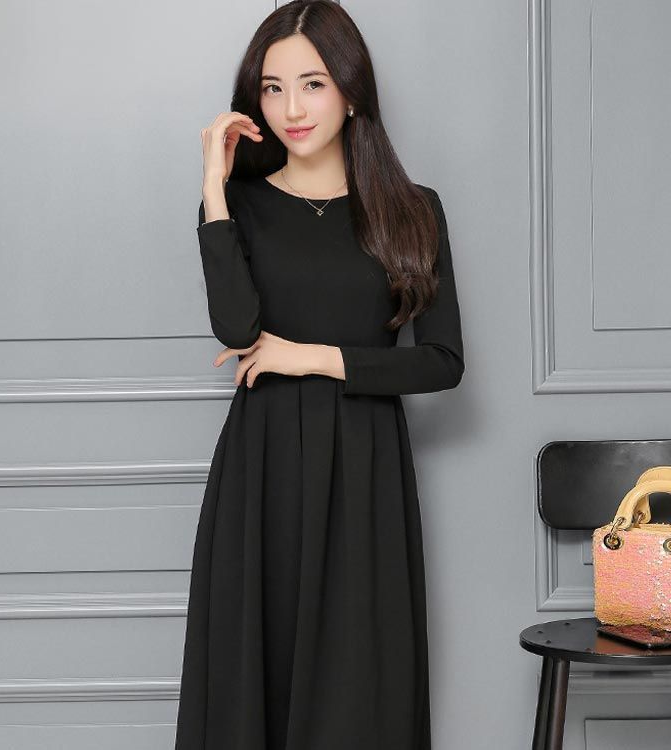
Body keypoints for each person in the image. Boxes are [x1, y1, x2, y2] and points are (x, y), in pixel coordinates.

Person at [174, 1, 465, 748]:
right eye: (272, 89)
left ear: (352, 91)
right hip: (263, 466)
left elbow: (442, 362)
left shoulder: (412, 211)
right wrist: (214, 188)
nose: (292, 109)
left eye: (312, 84)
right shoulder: (239, 205)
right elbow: (237, 329)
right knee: (256, 673)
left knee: (358, 684)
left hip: (366, 468)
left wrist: (310, 357)